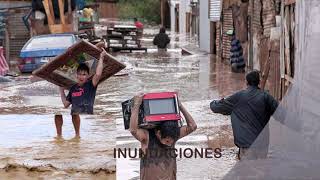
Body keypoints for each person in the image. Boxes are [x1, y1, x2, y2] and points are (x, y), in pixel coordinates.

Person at [210, 70, 278, 160]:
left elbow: (216, 107)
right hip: (262, 146)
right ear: (259, 82)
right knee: (260, 172)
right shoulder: (266, 97)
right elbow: (283, 115)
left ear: (246, 82)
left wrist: (213, 102)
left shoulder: (238, 97)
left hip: (246, 146)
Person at [129, 93, 197, 180]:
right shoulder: (147, 137)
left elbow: (192, 126)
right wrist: (137, 106)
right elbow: (133, 130)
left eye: (172, 141)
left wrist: (179, 105)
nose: (169, 144)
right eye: (167, 141)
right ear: (158, 133)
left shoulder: (174, 135)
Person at [55, 48, 107, 139]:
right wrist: (61, 90)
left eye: (84, 74)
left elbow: (98, 74)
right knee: (58, 114)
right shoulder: (73, 88)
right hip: (75, 112)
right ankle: (59, 136)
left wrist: (101, 57)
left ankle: (77, 135)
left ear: (88, 76)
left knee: (76, 115)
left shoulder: (91, 85)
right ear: (76, 75)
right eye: (79, 74)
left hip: (86, 113)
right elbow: (66, 104)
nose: (81, 76)